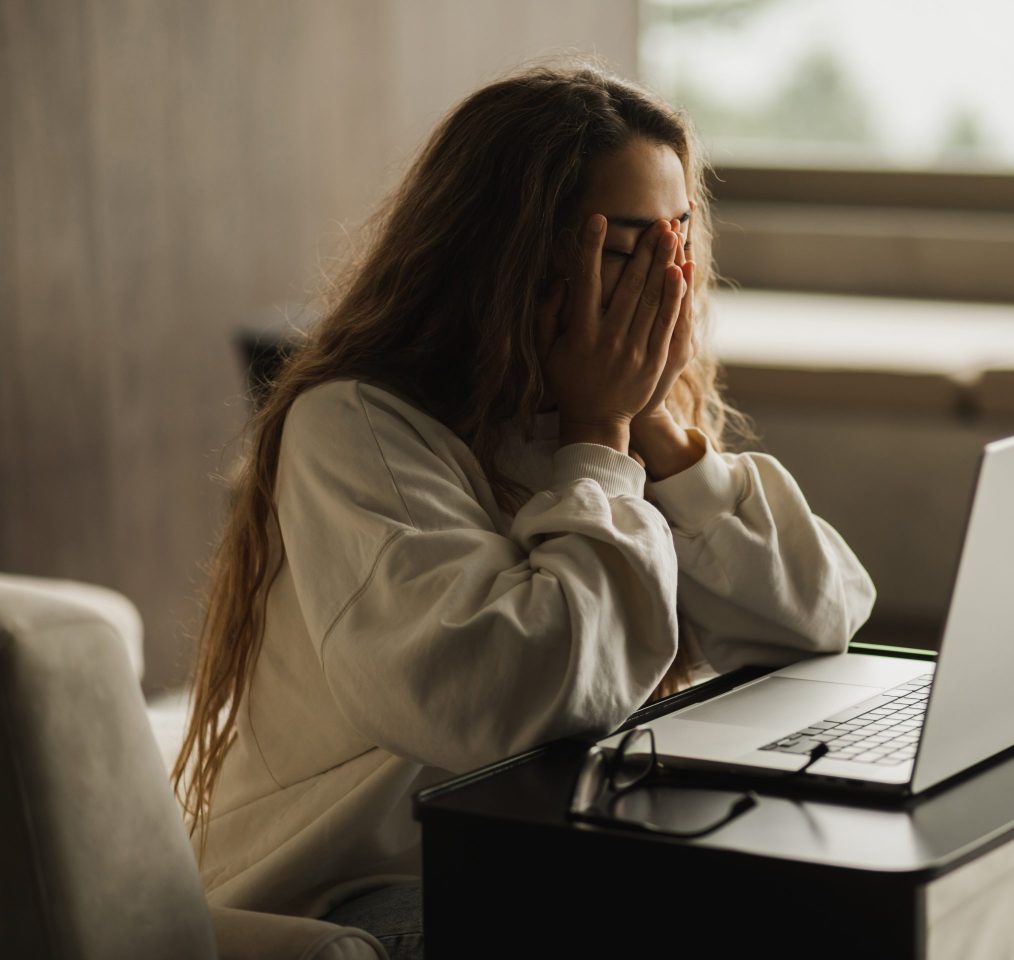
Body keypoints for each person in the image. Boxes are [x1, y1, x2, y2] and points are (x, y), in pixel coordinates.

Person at [171, 60, 877, 959]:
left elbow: (816, 622)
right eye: (625, 246)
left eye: (678, 237)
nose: (664, 280)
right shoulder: (358, 427)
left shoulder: (608, 416)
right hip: (368, 885)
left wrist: (657, 432)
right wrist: (599, 436)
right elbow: (514, 696)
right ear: (513, 254)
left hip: (543, 844)